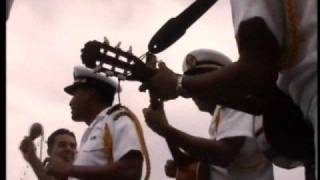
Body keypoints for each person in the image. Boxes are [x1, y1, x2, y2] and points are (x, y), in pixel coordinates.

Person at [142, 1, 317, 178]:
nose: (200, 86)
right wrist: (164, 122)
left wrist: (180, 85)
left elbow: (257, 69)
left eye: (202, 78)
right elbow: (188, 166)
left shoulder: (233, 109)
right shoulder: (220, 120)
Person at [143, 49, 274, 180]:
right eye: (191, 80)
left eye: (200, 80)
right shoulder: (221, 120)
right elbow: (186, 164)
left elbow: (223, 155)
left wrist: (166, 130)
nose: (194, 88)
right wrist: (163, 122)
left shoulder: (237, 104)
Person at [46, 65, 150, 180]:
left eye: (75, 94)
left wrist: (69, 169)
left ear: (90, 93)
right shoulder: (93, 131)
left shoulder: (117, 119)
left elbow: (131, 170)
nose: (71, 102)